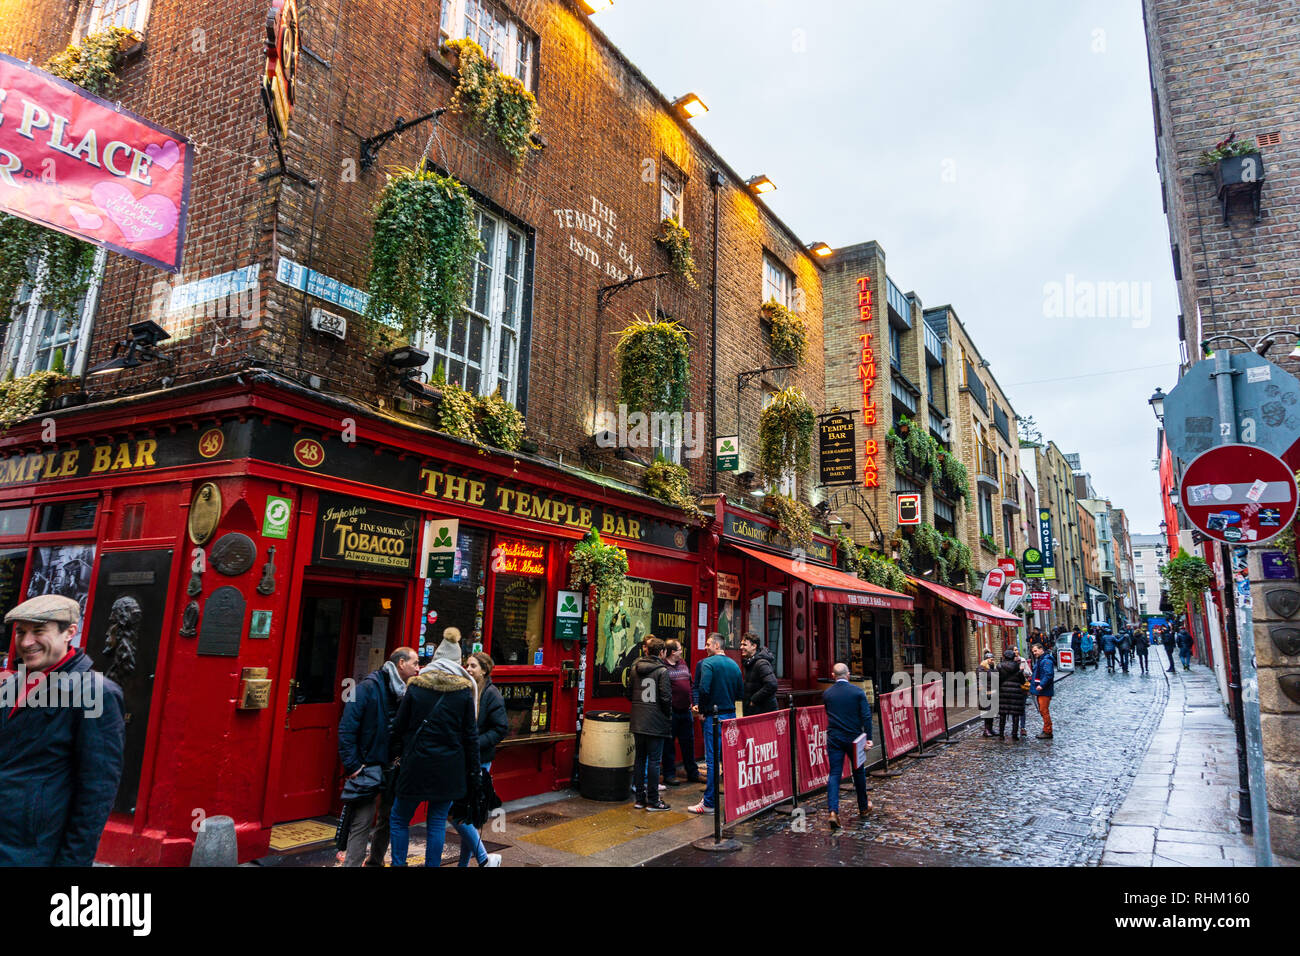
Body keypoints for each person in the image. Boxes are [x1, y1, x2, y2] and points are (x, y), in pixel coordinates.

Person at [0, 595, 125, 866]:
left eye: (39, 631)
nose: (26, 642)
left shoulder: (97, 693)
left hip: (33, 851)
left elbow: (97, 792)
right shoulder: (11, 685)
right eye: (20, 632)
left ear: (69, 632)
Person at [387, 652, 480, 867]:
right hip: (449, 769)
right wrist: (475, 772)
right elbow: (470, 736)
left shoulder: (416, 688)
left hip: (415, 766)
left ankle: (398, 864)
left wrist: (396, 756)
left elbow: (398, 727)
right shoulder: (464, 692)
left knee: (399, 818)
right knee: (437, 822)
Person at [338, 646, 419, 867]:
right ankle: (352, 864)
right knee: (362, 821)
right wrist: (354, 766)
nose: (418, 669)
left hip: (392, 766)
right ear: (401, 663)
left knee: (388, 819)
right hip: (367, 767)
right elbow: (346, 728)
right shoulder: (367, 687)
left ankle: (375, 861)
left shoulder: (407, 691)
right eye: (415, 663)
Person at [447, 651, 505, 867]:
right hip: (461, 759)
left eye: (473, 666)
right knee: (466, 812)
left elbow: (500, 728)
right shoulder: (465, 690)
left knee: (455, 811)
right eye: (467, 665)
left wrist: (475, 742)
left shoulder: (492, 695)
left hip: (479, 761)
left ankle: (483, 858)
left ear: (484, 670)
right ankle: (466, 864)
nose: (468, 669)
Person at [687, 633, 743, 815]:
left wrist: (701, 709)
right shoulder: (735, 665)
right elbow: (740, 692)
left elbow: (703, 688)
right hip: (731, 715)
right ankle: (736, 800)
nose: (705, 646)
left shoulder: (708, 664)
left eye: (708, 644)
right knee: (729, 759)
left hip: (714, 717)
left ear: (717, 645)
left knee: (712, 761)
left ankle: (709, 803)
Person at [822, 663, 873, 829]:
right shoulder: (857, 692)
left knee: (835, 773)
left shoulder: (827, 694)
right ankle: (863, 807)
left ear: (833, 675)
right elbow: (866, 717)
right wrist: (869, 738)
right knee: (858, 772)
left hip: (835, 738)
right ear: (848, 675)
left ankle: (833, 811)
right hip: (854, 738)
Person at [628, 636, 672, 811]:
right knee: (654, 761)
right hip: (655, 721)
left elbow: (629, 693)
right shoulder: (662, 671)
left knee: (639, 759)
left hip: (638, 720)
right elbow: (666, 698)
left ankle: (639, 799)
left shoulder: (635, 669)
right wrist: (667, 715)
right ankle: (653, 800)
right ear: (661, 652)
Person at [659, 639, 699, 785]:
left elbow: (690, 683)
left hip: (686, 711)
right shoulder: (662, 667)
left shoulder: (683, 663)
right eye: (679, 649)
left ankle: (692, 773)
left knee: (688, 743)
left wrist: (693, 702)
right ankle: (669, 775)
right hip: (671, 712)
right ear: (672, 652)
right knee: (668, 745)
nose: (681, 651)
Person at [740, 633, 778, 715]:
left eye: (744, 645)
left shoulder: (761, 663)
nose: (741, 647)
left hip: (763, 713)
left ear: (754, 646)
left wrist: (754, 700)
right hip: (756, 711)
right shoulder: (750, 663)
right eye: (741, 644)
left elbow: (772, 684)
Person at [996, 649, 1028, 739]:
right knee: (1015, 714)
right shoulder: (1017, 667)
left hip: (1003, 692)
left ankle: (1001, 734)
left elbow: (996, 680)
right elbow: (1022, 681)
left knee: (1002, 714)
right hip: (1016, 693)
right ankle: (1014, 734)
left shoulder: (999, 667)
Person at [1030, 642, 1054, 738]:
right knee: (1042, 710)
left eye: (1035, 651)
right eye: (1033, 652)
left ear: (1041, 649)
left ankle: (1048, 731)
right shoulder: (1040, 660)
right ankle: (1046, 729)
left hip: (1044, 690)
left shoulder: (1046, 661)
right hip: (1041, 690)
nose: (1034, 653)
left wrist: (1041, 685)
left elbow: (1048, 675)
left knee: (1044, 710)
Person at [976, 649, 998, 736]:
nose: (992, 661)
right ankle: (986, 730)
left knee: (992, 712)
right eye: (991, 659)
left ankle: (991, 729)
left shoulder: (993, 668)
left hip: (993, 692)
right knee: (987, 712)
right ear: (986, 659)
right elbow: (980, 680)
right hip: (985, 693)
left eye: (993, 659)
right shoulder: (981, 668)